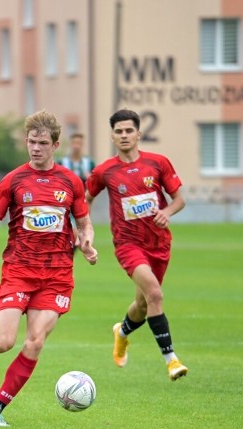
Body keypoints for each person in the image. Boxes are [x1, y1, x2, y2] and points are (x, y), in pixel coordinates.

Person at [0, 110, 98, 428]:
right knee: (2, 343)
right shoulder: (14, 180)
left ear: (55, 144)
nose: (36, 148)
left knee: (35, 342)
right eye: (31, 142)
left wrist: (87, 243)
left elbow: (84, 223)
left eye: (43, 143)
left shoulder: (70, 182)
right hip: (18, 271)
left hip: (57, 275)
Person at [86, 108, 188, 381]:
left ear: (139, 133)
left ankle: (122, 332)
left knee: (143, 305)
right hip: (128, 245)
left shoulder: (157, 163)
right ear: (112, 136)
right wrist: (85, 229)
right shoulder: (104, 171)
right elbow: (85, 199)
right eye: (118, 131)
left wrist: (167, 212)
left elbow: (179, 199)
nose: (124, 135)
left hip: (159, 244)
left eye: (129, 130)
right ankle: (171, 360)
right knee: (155, 294)